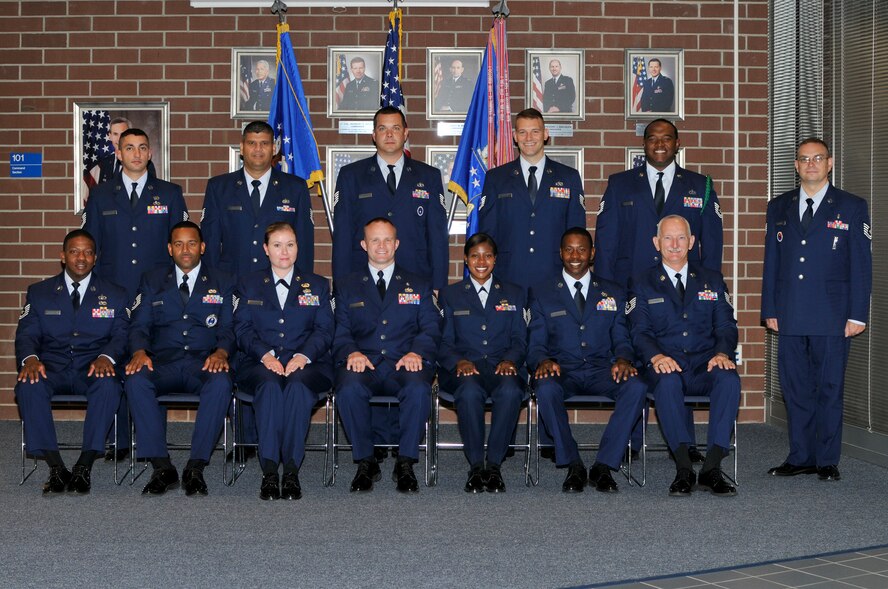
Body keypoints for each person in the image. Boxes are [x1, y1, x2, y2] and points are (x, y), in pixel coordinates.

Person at [595, 118, 723, 461]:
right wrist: (606, 293)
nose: (660, 144)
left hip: (684, 292)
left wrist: (709, 288)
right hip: (631, 290)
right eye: (653, 138)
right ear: (644, 144)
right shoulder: (620, 183)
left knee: (682, 356)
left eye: (667, 138)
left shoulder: (701, 185)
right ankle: (631, 442)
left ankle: (685, 444)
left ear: (678, 144)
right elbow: (606, 243)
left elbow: (712, 245)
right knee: (637, 363)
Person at [761, 138, 872, 482]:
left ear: (830, 163)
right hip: (790, 312)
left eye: (818, 158)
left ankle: (826, 459)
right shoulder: (779, 206)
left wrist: (858, 314)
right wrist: (769, 308)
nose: (811, 164)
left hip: (832, 314)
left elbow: (861, 264)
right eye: (804, 159)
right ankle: (800, 456)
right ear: (796, 165)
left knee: (828, 387)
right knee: (795, 388)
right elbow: (772, 261)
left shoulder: (851, 206)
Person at [84, 127, 188, 460]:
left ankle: (150, 441)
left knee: (151, 362)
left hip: (156, 294)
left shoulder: (169, 193)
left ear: (150, 153)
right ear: (119, 153)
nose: (137, 154)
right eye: (129, 148)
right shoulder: (101, 195)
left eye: (143, 147)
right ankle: (118, 441)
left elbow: (180, 248)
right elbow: (91, 246)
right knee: (115, 362)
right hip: (113, 293)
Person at [528, 227, 646, 493]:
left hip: (602, 369)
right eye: (569, 249)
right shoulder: (542, 292)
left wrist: (624, 358)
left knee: (636, 386)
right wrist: (542, 360)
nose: (575, 256)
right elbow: (535, 343)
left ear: (592, 253)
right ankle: (573, 463)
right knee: (545, 388)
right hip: (562, 370)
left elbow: (622, 337)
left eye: (581, 249)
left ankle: (604, 464)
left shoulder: (613, 291)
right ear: (560, 253)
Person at [628, 215, 740, 496]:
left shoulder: (712, 279)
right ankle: (683, 468)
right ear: (656, 243)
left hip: (704, 363)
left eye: (681, 238)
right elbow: (638, 330)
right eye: (667, 238)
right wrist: (656, 357)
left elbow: (726, 325)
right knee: (667, 382)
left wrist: (722, 353)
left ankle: (711, 467)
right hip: (664, 363)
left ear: (691, 242)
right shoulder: (641, 282)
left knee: (729, 379)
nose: (674, 244)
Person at [125, 221, 236, 496]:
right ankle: (162, 466)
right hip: (163, 362)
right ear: (169, 249)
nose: (185, 250)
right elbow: (139, 325)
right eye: (178, 244)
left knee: (221, 383)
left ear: (202, 247)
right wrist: (139, 351)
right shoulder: (152, 280)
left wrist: (221, 352)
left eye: (191, 243)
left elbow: (229, 327)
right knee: (135, 380)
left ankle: (196, 466)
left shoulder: (223, 280)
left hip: (204, 362)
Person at [14, 229, 129, 494]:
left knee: (109, 385)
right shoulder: (39, 292)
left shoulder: (115, 294)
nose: (81, 258)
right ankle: (56, 466)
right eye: (74, 251)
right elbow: (27, 334)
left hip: (93, 366)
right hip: (51, 367)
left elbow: (122, 335)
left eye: (88, 252)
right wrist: (30, 359)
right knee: (28, 385)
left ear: (95, 258)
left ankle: (84, 465)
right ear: (63, 256)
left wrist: (106, 357)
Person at [333, 218, 441, 493]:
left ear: (397, 244)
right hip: (364, 363)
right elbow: (340, 330)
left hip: (404, 363)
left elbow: (431, 326)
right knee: (348, 388)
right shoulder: (346, 285)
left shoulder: (418, 284)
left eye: (387, 240)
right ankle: (366, 461)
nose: (381, 246)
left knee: (418, 388)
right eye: (375, 240)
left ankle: (405, 462)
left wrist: (417, 351)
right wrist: (352, 352)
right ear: (364, 245)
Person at [233, 222, 333, 500]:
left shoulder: (317, 285)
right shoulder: (249, 284)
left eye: (290, 244)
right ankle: (269, 471)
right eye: (277, 245)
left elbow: (325, 330)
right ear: (266, 249)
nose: (284, 251)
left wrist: (302, 356)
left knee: (298, 387)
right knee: (269, 386)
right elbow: (242, 329)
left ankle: (290, 470)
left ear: (298, 247)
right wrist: (265, 355)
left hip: (309, 364)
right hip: (258, 363)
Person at [438, 233, 526, 493]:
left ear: (495, 260)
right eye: (475, 256)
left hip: (502, 366)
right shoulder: (450, 294)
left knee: (511, 390)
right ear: (466, 259)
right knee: (469, 391)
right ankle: (476, 466)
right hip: (465, 369)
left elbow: (520, 338)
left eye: (487, 255)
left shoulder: (514, 293)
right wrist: (458, 361)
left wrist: (510, 360)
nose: (481, 261)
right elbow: (442, 341)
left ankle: (494, 466)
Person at [332, 106, 449, 290]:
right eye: (382, 128)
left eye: (395, 128)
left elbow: (437, 236)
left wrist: (438, 286)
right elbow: (343, 236)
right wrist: (341, 287)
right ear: (374, 135)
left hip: (416, 276)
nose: (389, 134)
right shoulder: (351, 176)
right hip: (362, 279)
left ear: (405, 133)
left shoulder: (429, 176)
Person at [478, 108, 586, 293]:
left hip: (555, 278)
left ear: (545, 134)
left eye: (535, 131)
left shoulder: (569, 177)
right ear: (515, 136)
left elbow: (576, 232)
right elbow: (488, 233)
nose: (528, 137)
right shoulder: (496, 178)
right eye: (522, 132)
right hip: (508, 277)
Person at [202, 120, 314, 277]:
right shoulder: (219, 188)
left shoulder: (295, 188)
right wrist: (212, 283)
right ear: (242, 148)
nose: (258, 149)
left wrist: (301, 283)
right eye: (251, 143)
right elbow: (210, 243)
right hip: (231, 282)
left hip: (278, 283)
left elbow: (304, 242)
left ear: (274, 148)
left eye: (264, 143)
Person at [93, 117, 156, 186]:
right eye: (115, 134)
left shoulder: (145, 163)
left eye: (123, 134)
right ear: (110, 136)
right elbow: (103, 189)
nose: (119, 139)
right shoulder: (105, 162)